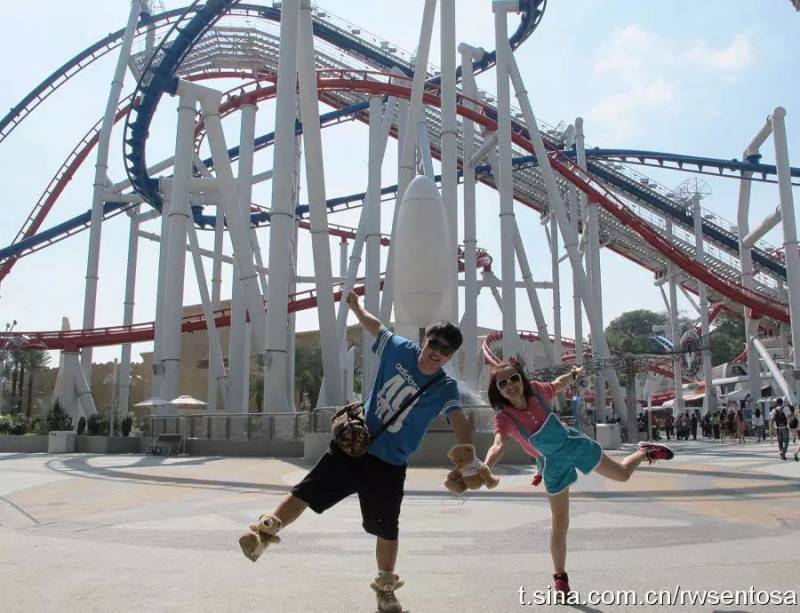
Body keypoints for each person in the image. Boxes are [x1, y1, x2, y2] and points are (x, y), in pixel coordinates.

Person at [238, 291, 478, 613]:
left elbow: (458, 417)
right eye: (434, 344)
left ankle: (386, 590)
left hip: (390, 463)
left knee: (387, 528)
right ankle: (262, 535)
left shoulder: (444, 387)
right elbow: (376, 327)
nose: (437, 353)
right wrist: (356, 307)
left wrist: (468, 454)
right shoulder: (399, 349)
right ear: (425, 340)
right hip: (355, 445)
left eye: (445, 350)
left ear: (450, 356)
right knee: (306, 491)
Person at [481, 360, 674, 598]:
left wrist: (573, 375)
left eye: (514, 378)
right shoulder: (504, 418)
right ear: (497, 390)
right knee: (560, 523)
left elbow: (557, 384)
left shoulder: (537, 391)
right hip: (553, 464)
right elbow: (498, 444)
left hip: (573, 444)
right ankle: (560, 577)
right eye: (502, 383)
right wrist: (486, 467)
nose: (510, 385)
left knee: (622, 474)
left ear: (522, 379)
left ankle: (643, 451)